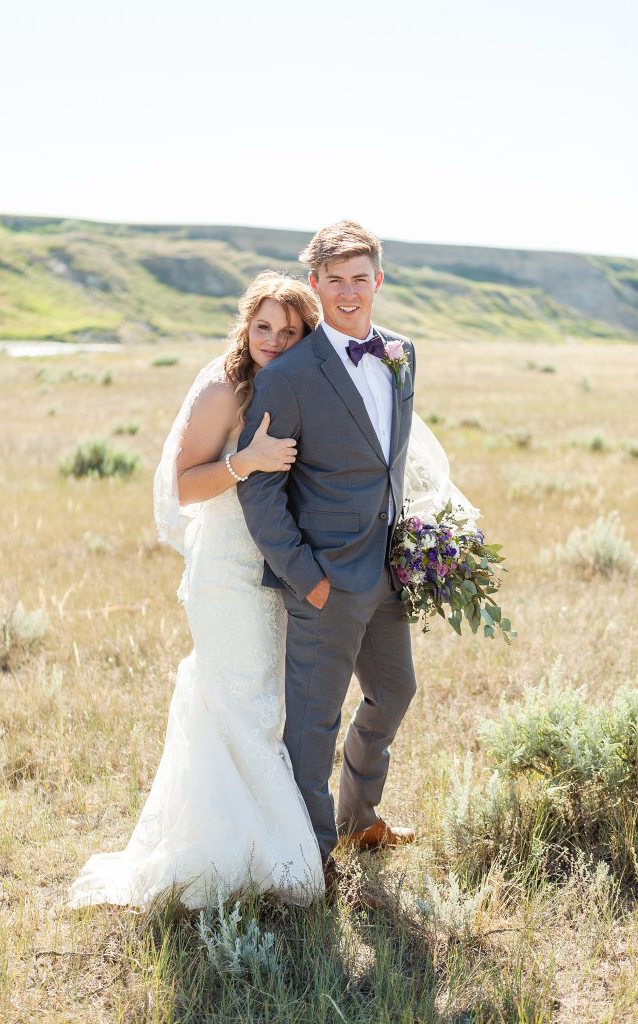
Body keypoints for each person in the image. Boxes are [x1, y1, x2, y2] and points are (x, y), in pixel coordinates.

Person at [67, 272, 326, 911]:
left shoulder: (288, 383)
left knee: (255, 706)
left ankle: (243, 843)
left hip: (270, 571)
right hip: (224, 574)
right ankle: (274, 864)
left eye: (288, 331)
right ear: (246, 324)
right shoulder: (224, 388)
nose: (272, 339)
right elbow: (182, 486)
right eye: (262, 326)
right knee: (246, 709)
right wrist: (248, 461)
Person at [237, 221, 424, 898]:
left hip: (386, 570)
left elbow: (389, 462)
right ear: (316, 285)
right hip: (321, 580)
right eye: (335, 280)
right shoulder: (288, 375)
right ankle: (309, 860)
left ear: (379, 279)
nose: (349, 292)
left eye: (360, 277)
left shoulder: (401, 353)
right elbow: (259, 492)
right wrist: (305, 577)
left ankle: (358, 820)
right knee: (311, 727)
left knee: (394, 692)